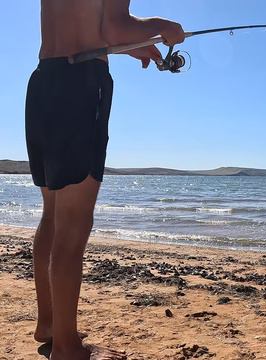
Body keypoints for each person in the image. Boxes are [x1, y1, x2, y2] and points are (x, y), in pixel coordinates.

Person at [26, 1, 185, 359]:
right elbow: (114, 25)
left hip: (43, 80)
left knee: (52, 214)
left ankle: (49, 325)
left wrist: (134, 44)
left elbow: (87, 26)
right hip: (78, 87)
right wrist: (164, 26)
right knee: (73, 221)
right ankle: (66, 347)